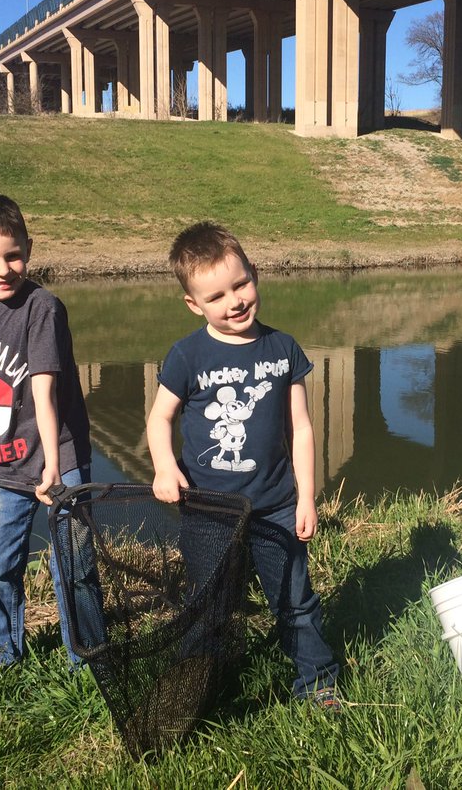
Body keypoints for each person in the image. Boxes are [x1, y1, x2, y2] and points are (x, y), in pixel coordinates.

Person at [146, 221, 343, 711]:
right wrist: (165, 468)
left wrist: (306, 497)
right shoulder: (185, 356)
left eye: (241, 284)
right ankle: (200, 691)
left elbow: (301, 428)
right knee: (208, 607)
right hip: (210, 510)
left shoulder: (284, 349)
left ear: (255, 273)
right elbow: (159, 419)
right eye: (216, 296)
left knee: (295, 602)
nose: (234, 301)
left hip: (276, 506)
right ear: (195, 305)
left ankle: (318, 683)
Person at [0, 193, 93, 675]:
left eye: (13, 254)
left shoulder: (42, 308)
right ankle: (0, 653)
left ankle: (84, 656)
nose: (3, 268)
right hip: (0, 465)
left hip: (59, 458)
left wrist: (53, 466)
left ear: (29, 248)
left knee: (73, 565)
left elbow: (45, 390)